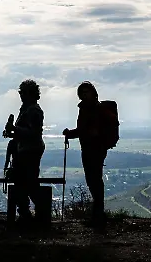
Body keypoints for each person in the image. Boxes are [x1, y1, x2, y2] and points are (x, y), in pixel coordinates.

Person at [63, 81, 106, 227]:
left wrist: (72, 133)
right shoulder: (87, 108)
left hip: (94, 149)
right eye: (82, 93)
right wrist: (72, 133)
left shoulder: (93, 108)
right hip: (90, 148)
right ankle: (97, 215)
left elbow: (89, 130)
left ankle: (98, 216)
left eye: (86, 92)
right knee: (94, 181)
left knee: (94, 181)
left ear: (92, 92)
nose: (83, 95)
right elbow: (84, 129)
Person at [4, 79, 45, 227]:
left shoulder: (33, 110)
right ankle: (27, 214)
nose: (21, 95)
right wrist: (12, 133)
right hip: (26, 149)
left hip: (30, 150)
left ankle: (34, 215)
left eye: (22, 92)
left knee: (28, 182)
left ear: (30, 94)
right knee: (23, 182)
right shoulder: (27, 108)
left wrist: (14, 129)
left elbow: (34, 133)